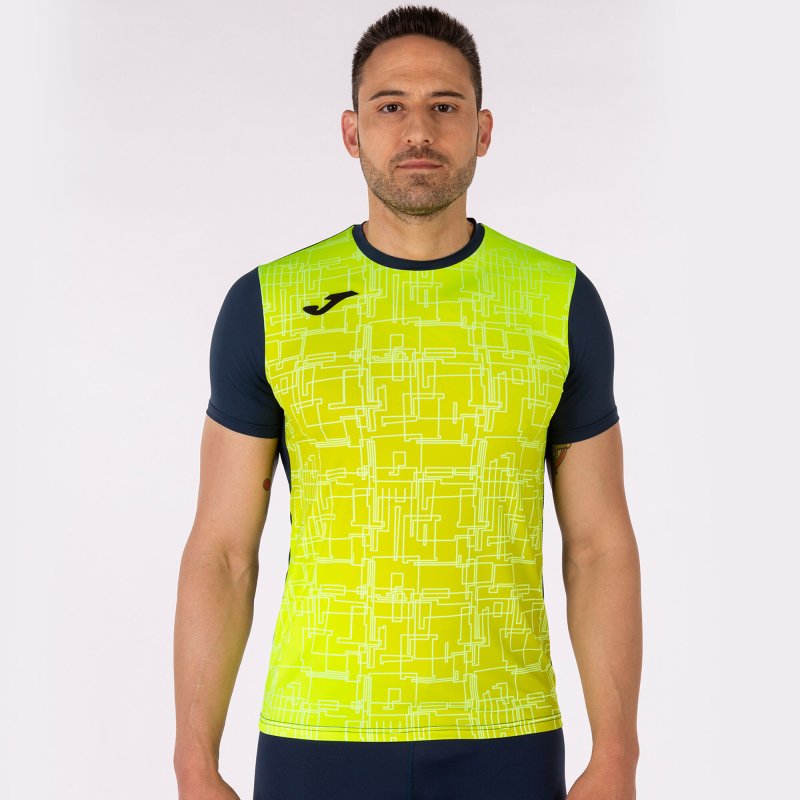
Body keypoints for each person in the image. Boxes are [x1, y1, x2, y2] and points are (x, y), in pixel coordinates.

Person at [173, 5, 642, 799]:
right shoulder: (269, 304)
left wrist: (618, 754)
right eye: (390, 106)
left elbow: (598, 544)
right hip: (319, 732)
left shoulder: (557, 301)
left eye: (444, 106)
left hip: (507, 734)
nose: (418, 130)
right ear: (352, 131)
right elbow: (222, 550)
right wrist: (193, 762)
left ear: (482, 130)